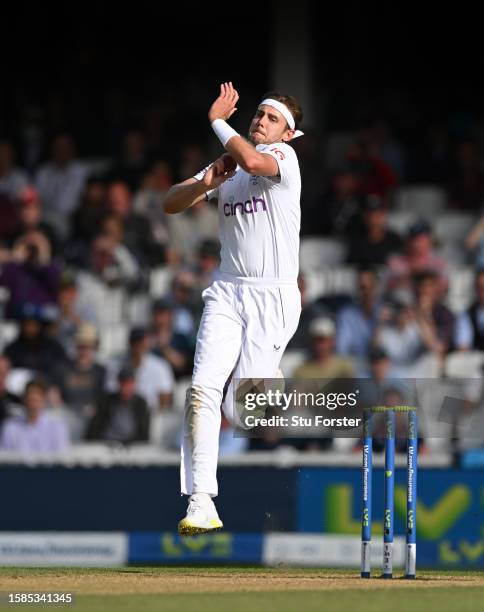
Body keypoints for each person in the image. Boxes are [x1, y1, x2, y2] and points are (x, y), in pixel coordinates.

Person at [164, 83, 304, 535]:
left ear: (287, 133)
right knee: (201, 389)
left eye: (272, 118)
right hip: (227, 289)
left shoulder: (283, 159)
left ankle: (269, 385)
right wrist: (205, 183)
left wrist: (216, 122)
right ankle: (201, 499)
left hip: (274, 295)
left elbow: (254, 161)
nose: (261, 121)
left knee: (243, 408)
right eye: (259, 114)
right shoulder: (229, 166)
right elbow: (170, 203)